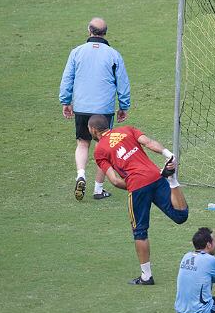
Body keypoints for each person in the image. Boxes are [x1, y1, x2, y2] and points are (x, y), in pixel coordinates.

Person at [88, 115, 188, 284]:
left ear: (93, 130)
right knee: (180, 216)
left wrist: (136, 184)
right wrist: (168, 154)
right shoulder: (127, 130)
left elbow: (114, 180)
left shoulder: (99, 151)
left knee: (140, 231)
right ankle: (172, 180)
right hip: (156, 176)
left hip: (136, 187)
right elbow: (148, 143)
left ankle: (146, 276)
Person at [59, 17, 131, 201]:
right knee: (104, 147)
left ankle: (81, 174)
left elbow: (67, 78)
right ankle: (98, 189)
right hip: (103, 109)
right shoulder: (114, 54)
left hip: (82, 107)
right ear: (105, 33)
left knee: (82, 143)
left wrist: (66, 101)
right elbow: (122, 83)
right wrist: (124, 106)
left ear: (89, 31)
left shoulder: (76, 52)